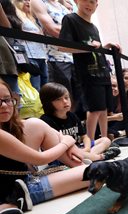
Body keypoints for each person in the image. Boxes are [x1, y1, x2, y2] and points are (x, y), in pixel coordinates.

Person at [0, 79, 88, 214]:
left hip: (20, 180)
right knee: (92, 173)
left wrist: (66, 142)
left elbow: (45, 131)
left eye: (8, 99)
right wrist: (66, 142)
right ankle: (14, 202)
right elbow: (41, 158)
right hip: (16, 189)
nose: (4, 105)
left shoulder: (14, 124)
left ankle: (90, 159)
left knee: (34, 124)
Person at [58, 0, 119, 142]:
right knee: (94, 109)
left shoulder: (94, 27)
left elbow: (94, 48)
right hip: (87, 74)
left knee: (103, 108)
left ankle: (105, 140)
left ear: (96, 6)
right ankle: (90, 143)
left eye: (93, 2)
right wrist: (89, 47)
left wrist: (105, 46)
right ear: (76, 1)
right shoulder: (70, 19)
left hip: (102, 72)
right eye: (86, 0)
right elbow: (62, 47)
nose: (89, 4)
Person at [39, 82, 120, 162]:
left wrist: (87, 148)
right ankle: (100, 157)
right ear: (48, 102)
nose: (65, 101)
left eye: (66, 97)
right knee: (74, 153)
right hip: (63, 154)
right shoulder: (46, 120)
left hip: (79, 149)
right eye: (58, 99)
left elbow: (84, 136)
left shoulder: (72, 116)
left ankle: (86, 157)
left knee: (105, 140)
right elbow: (55, 148)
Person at [31, 0, 81, 113]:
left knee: (78, 97)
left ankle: (73, 125)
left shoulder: (62, 5)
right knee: (61, 97)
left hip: (74, 57)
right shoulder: (39, 2)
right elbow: (53, 29)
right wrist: (79, 35)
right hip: (55, 57)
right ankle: (62, 128)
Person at [12, 0, 48, 91]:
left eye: (29, 0)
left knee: (45, 85)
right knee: (35, 87)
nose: (28, 2)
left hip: (41, 55)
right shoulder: (16, 16)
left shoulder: (32, 18)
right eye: (24, 0)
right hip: (29, 55)